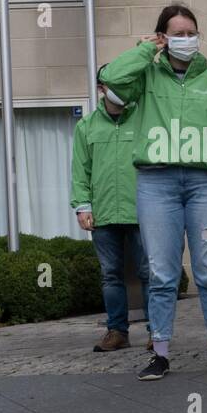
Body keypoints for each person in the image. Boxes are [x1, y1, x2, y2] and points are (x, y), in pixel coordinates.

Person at [100, 5, 207, 381]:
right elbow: (110, 81)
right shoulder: (145, 77)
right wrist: (143, 50)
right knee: (162, 273)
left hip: (205, 185)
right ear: (162, 38)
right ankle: (160, 352)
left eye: (190, 32)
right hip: (156, 183)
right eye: (176, 34)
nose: (185, 39)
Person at [70, 68, 151, 352]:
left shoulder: (144, 119)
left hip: (143, 211)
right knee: (110, 274)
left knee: (149, 272)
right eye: (115, 84)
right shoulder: (86, 126)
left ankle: (158, 332)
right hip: (103, 214)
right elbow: (80, 171)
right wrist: (82, 206)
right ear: (102, 88)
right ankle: (117, 332)